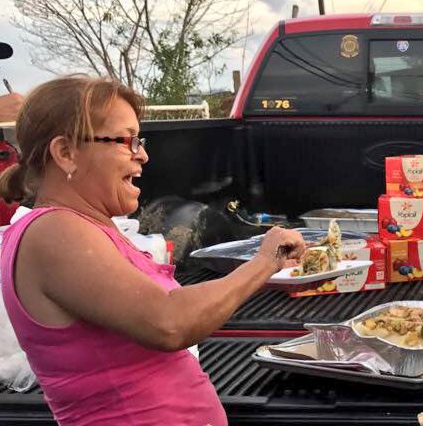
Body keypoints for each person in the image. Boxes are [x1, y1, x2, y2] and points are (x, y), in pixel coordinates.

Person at [0, 76, 306, 425]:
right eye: (126, 141)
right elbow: (169, 322)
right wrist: (266, 260)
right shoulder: (53, 232)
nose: (142, 154)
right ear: (66, 153)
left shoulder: (83, 226)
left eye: (139, 140)